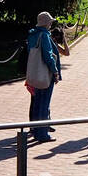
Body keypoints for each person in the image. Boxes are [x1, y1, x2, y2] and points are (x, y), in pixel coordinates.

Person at [25, 11, 62, 143]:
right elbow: (48, 56)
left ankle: (35, 129)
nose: (51, 24)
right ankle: (42, 134)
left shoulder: (32, 34)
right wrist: (55, 71)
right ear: (46, 23)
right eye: (50, 22)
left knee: (37, 102)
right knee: (44, 104)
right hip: (45, 74)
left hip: (35, 74)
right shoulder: (44, 35)